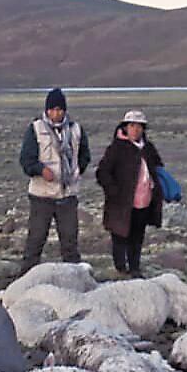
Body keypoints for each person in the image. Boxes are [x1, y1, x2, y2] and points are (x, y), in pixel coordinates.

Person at [18, 86, 92, 272]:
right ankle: (25, 280)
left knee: (70, 244)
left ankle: (75, 280)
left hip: (67, 196)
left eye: (59, 109)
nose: (56, 113)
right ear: (47, 110)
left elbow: (84, 155)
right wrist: (40, 170)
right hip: (42, 196)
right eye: (52, 109)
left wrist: (75, 172)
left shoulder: (76, 130)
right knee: (35, 242)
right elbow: (26, 160)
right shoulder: (35, 129)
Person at [94, 109, 164, 277]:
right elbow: (102, 172)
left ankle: (134, 267)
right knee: (119, 235)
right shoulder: (116, 148)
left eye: (139, 126)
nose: (136, 130)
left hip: (144, 201)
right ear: (125, 127)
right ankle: (120, 268)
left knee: (137, 236)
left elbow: (158, 167)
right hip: (121, 202)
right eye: (132, 126)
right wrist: (113, 191)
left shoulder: (148, 148)